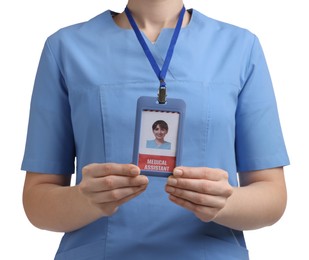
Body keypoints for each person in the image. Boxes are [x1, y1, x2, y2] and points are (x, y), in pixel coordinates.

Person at [21, 0, 289, 259]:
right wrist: (84, 200)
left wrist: (226, 202)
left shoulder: (240, 48)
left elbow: (272, 195)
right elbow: (37, 199)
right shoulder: (65, 49)